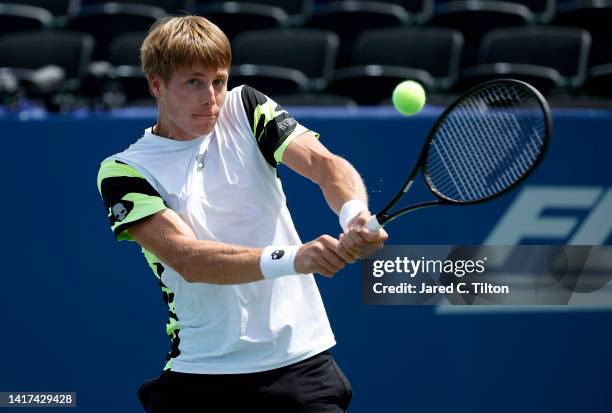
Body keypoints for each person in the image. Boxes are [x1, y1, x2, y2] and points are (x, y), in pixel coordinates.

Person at [96, 15, 388, 413]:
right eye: (193, 82)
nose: (211, 97)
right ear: (157, 85)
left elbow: (324, 165)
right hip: (200, 378)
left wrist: (354, 213)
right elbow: (189, 259)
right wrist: (296, 258)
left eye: (219, 81)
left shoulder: (247, 107)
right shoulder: (125, 171)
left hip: (300, 367)